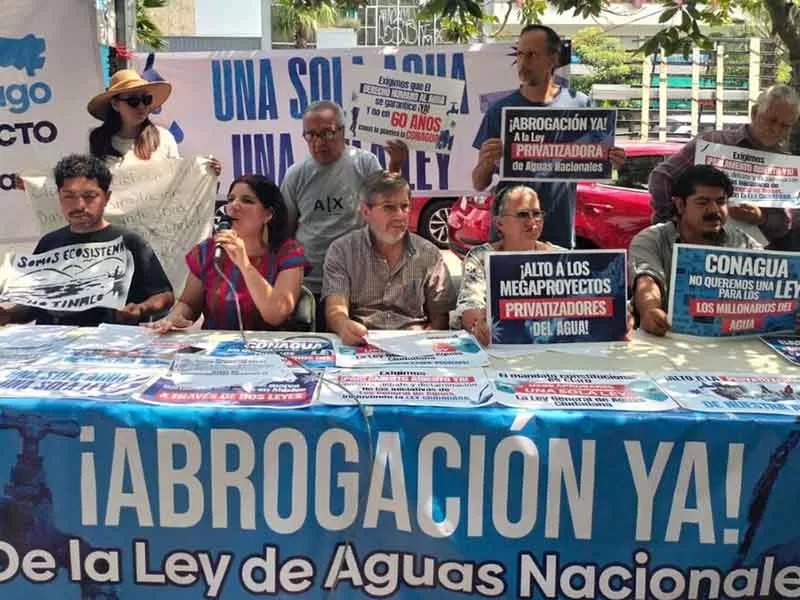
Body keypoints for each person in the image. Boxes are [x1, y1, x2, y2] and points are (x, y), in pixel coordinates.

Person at [471, 24, 625, 249]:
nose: (523, 62)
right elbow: (478, 183)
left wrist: (613, 159)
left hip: (558, 235)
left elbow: (600, 161)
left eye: (532, 54)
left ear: (553, 58)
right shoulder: (500, 111)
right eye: (520, 54)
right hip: (510, 240)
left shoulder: (580, 105)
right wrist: (486, 162)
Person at [0, 154, 174, 327]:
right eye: (69, 196)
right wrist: (8, 315)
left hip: (108, 346)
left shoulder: (130, 242)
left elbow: (165, 296)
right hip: (52, 347)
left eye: (90, 196)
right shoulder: (49, 243)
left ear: (107, 197)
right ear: (59, 197)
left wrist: (141, 309)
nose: (79, 205)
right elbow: (34, 306)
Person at [281, 101, 408, 325]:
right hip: (312, 283)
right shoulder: (296, 175)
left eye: (328, 133)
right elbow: (285, 231)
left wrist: (395, 166)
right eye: (311, 135)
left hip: (359, 281)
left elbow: (384, 205)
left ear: (342, 131)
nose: (319, 142)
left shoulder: (364, 163)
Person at [149, 174, 309, 332]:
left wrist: (244, 264)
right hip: (215, 348)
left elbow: (276, 315)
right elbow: (189, 303)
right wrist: (174, 317)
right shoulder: (208, 251)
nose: (234, 206)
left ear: (267, 214)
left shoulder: (288, 252)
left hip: (269, 350)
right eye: (231, 199)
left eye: (247, 200)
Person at [649, 84, 799, 246]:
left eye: (785, 126)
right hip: (693, 248)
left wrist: (761, 217)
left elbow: (787, 223)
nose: (776, 129)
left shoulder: (786, 165)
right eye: (771, 120)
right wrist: (675, 222)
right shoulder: (713, 143)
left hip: (748, 260)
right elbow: (661, 178)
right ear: (754, 113)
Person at [322, 171, 455, 346]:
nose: (400, 215)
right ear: (366, 211)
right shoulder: (343, 250)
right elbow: (335, 309)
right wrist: (343, 326)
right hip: (361, 342)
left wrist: (427, 342)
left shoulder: (428, 253)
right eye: (388, 207)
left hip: (415, 346)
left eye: (405, 206)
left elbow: (441, 316)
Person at [631, 165, 762, 337]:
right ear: (680, 205)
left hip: (730, 344)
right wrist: (651, 310)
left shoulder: (743, 242)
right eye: (703, 202)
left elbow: (770, 279)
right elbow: (647, 280)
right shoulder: (652, 240)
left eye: (721, 202)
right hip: (666, 341)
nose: (714, 210)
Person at [451, 185, 562, 346]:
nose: (532, 221)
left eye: (537, 213)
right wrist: (479, 326)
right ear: (500, 223)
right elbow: (470, 307)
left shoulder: (562, 257)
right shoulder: (480, 257)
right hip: (498, 346)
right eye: (523, 214)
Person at [86, 69, 222, 174]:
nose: (141, 107)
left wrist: (206, 171)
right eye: (133, 101)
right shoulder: (97, 140)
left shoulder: (164, 138)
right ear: (115, 104)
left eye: (146, 100)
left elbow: (178, 180)